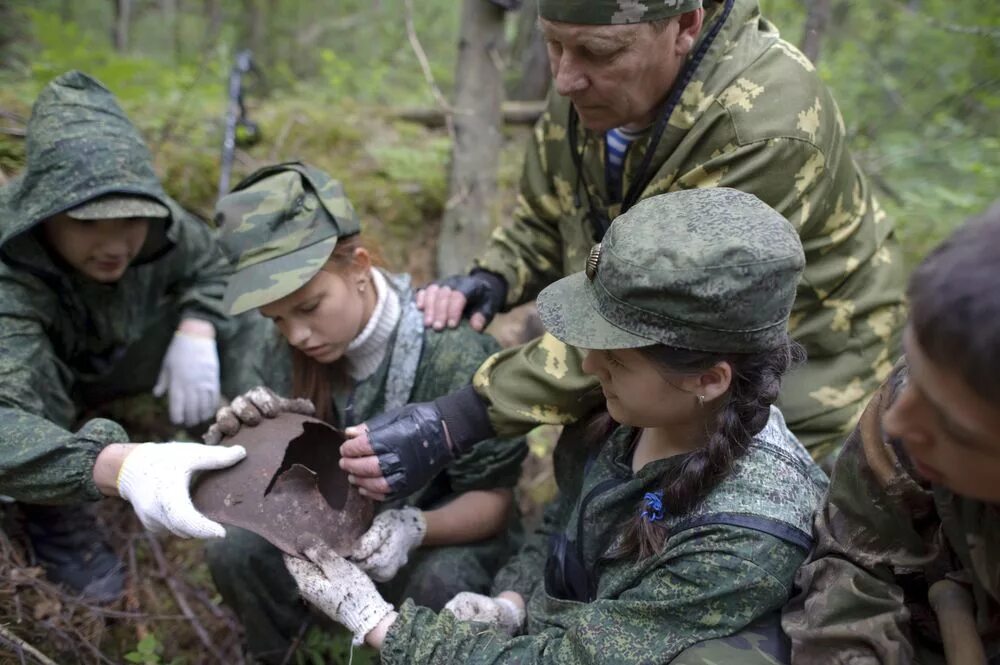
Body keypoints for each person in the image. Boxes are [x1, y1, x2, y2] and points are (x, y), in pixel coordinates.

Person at [352, 0, 907, 502]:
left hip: (803, 351)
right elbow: (555, 211)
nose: (566, 78)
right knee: (590, 473)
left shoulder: (763, 126)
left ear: (684, 26)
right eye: (553, 44)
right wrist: (496, 275)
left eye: (596, 52)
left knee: (706, 518)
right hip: (654, 343)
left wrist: (461, 417)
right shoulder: (592, 77)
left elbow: (659, 316)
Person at [283, 187, 828, 664]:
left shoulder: (744, 541)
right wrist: (516, 602)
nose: (588, 368)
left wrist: (382, 625)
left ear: (708, 380)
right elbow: (567, 525)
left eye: (615, 360)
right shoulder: (635, 414)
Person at [202, 163, 528, 664]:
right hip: (321, 524)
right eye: (276, 319)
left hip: (441, 534)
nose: (296, 335)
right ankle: (288, 653)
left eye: (309, 307)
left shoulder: (452, 353)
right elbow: (259, 481)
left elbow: (495, 501)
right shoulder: (278, 348)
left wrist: (415, 528)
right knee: (233, 552)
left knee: (443, 586)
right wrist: (242, 438)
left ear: (358, 267)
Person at [0, 71, 262, 601]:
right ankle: (56, 513)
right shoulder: (10, 272)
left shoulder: (164, 230)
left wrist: (198, 326)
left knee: (254, 320)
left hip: (124, 353)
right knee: (28, 389)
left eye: (131, 220)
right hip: (48, 383)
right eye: (89, 223)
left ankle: (259, 449)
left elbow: (214, 264)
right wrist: (114, 465)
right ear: (45, 216)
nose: (115, 243)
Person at [782, 201, 1000, 663]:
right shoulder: (938, 386)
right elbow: (856, 564)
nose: (898, 421)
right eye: (913, 369)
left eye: (954, 427)